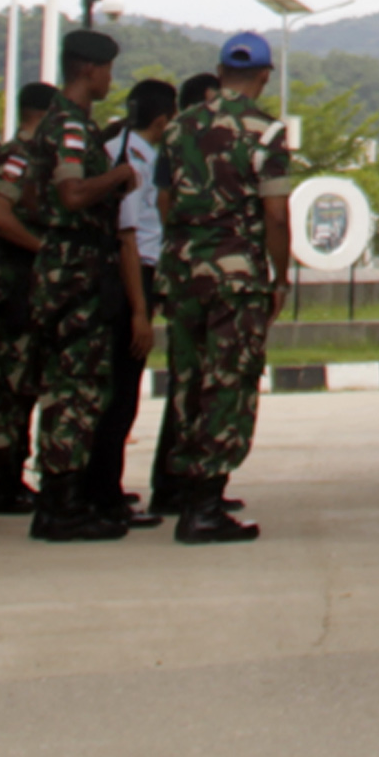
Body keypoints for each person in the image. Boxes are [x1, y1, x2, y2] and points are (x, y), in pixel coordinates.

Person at [152, 34, 292, 543]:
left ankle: (188, 493)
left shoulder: (177, 128)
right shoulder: (266, 132)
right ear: (264, 76)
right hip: (238, 276)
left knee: (189, 379)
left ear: (217, 72)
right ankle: (207, 503)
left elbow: (163, 200)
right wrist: (279, 276)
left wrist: (189, 244)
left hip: (185, 270)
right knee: (229, 381)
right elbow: (275, 213)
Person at [23, 30, 140, 543]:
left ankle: (64, 496)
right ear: (89, 69)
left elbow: (35, 198)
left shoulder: (65, 125)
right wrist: (118, 178)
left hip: (67, 264)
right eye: (107, 70)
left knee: (73, 384)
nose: (109, 79)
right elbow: (71, 194)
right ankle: (62, 504)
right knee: (76, 387)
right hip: (76, 270)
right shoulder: (70, 126)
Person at [0, 81, 57, 515]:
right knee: (9, 384)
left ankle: (7, 475)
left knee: (22, 383)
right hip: (14, 281)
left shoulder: (36, 156)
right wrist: (47, 251)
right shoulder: (18, 157)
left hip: (28, 282)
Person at [92, 77, 176, 524]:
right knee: (119, 394)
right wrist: (140, 310)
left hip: (137, 274)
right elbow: (126, 237)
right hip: (129, 278)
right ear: (162, 121)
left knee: (121, 392)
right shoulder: (130, 160)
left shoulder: (129, 151)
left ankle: (107, 487)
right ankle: (102, 495)